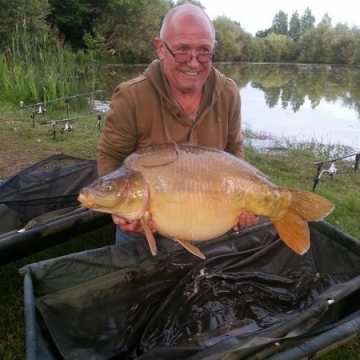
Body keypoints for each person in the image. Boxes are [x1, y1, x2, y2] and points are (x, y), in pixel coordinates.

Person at [96, 3, 258, 245]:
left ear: (213, 48)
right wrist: (122, 211)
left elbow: (234, 151)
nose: (193, 63)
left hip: (209, 220)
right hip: (147, 227)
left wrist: (241, 200)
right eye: (182, 50)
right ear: (160, 48)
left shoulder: (228, 92)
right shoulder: (131, 97)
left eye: (203, 51)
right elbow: (110, 156)